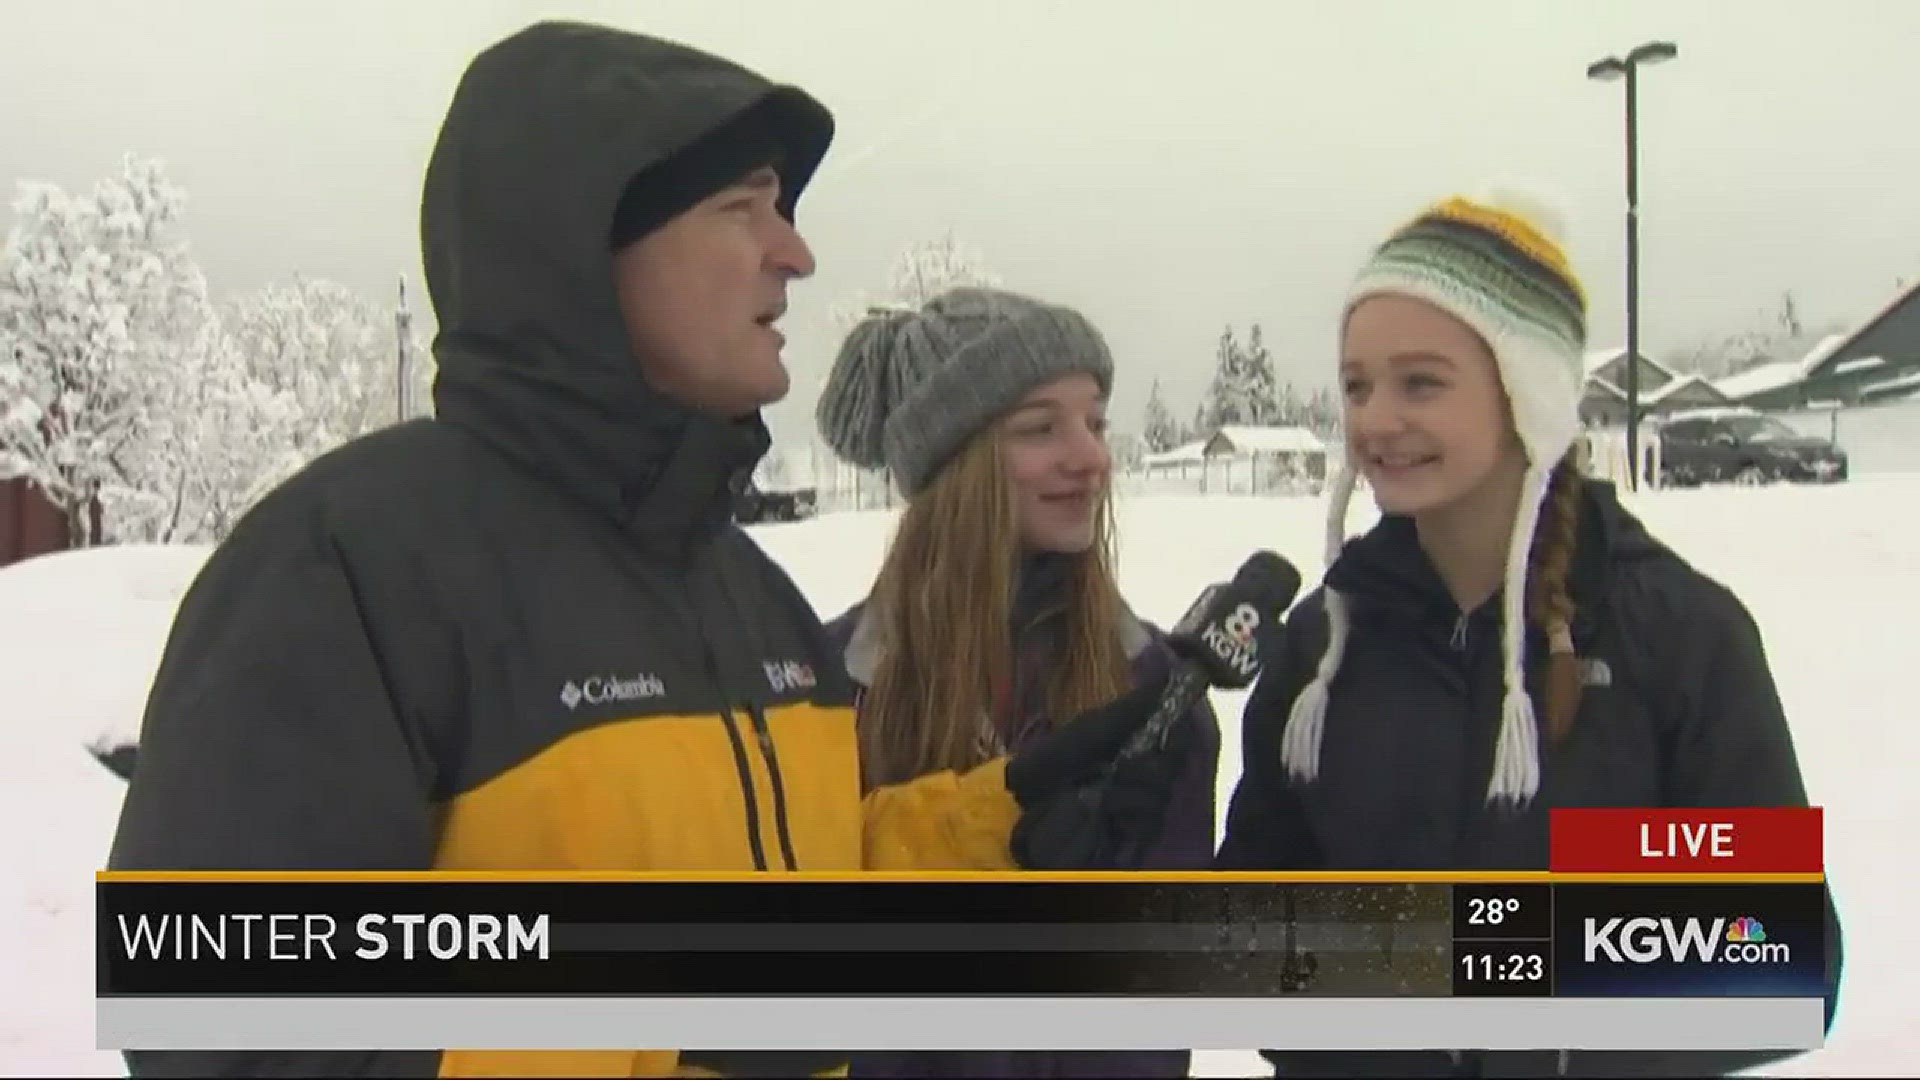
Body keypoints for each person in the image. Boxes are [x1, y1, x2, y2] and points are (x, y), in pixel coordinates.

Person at [107, 21, 1186, 1080]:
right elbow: (219, 1006)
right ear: (582, 250)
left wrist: (992, 831)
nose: (796, 252)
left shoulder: (749, 598)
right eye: (740, 208)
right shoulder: (350, 567)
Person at [1215, 189, 1844, 1077]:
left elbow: (1782, 955)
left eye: (1420, 382)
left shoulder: (1678, 636)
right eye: (1357, 384)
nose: (1376, 418)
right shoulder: (1323, 648)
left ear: (1530, 394)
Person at [813, 286, 1222, 1079]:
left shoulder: (1155, 697)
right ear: (951, 464)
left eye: (1096, 421)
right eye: (1040, 428)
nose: (1092, 454)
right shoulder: (826, 693)